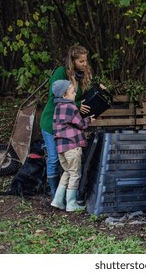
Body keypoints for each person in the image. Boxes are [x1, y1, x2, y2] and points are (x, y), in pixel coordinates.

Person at [40, 45, 103, 199]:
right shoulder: (61, 72)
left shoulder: (81, 74)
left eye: (86, 60)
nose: (85, 64)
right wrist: (78, 106)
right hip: (51, 123)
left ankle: (65, 195)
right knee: (54, 158)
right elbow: (55, 99)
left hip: (67, 126)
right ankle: (55, 194)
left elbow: (82, 96)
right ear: (72, 61)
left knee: (69, 162)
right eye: (81, 61)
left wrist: (97, 90)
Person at [50, 80, 95, 212]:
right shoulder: (71, 108)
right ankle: (71, 203)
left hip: (61, 148)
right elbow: (81, 124)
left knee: (67, 172)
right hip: (72, 146)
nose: (75, 94)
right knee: (75, 174)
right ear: (64, 95)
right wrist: (89, 119)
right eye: (73, 91)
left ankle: (58, 200)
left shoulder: (57, 108)